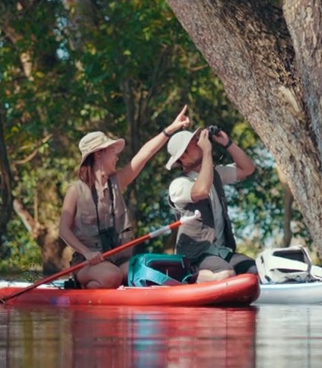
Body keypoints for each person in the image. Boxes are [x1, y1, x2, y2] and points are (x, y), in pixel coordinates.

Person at [58, 105, 191, 289]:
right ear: (99, 154)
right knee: (111, 276)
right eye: (113, 152)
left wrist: (171, 129)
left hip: (119, 263)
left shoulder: (117, 182)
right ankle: (88, 287)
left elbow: (144, 155)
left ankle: (104, 287)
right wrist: (87, 253)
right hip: (88, 264)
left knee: (145, 269)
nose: (117, 157)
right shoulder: (75, 191)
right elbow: (63, 230)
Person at [164, 124, 257, 281]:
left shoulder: (216, 174)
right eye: (194, 143)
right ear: (183, 157)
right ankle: (188, 277)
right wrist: (207, 151)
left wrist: (227, 143)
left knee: (254, 272)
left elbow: (247, 169)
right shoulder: (178, 185)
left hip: (221, 251)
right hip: (195, 255)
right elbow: (201, 191)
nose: (199, 142)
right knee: (226, 275)